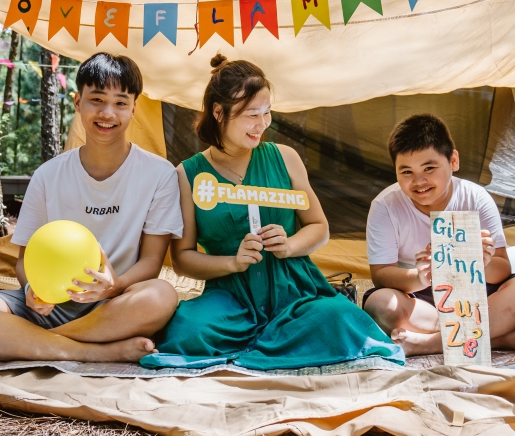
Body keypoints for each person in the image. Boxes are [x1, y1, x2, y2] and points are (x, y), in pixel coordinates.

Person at [141, 55, 404, 370]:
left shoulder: (285, 158)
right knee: (188, 331)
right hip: (230, 296)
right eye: (252, 114)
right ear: (218, 112)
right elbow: (182, 259)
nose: (262, 124)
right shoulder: (188, 175)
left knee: (341, 319)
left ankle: (278, 338)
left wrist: (290, 245)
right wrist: (232, 262)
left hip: (294, 290)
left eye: (266, 113)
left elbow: (319, 227)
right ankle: (275, 343)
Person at [0, 53, 182, 363]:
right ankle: (91, 352)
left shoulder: (159, 174)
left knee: (161, 296)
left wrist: (114, 286)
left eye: (120, 102)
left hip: (112, 306)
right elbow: (24, 261)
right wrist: (32, 289)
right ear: (78, 102)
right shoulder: (48, 175)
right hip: (46, 305)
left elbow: (151, 260)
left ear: (134, 109)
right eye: (97, 99)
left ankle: (12, 341)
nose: (108, 113)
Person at [362, 114, 515, 356]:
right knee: (381, 305)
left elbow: (502, 268)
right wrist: (421, 276)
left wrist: (481, 263)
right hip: (421, 300)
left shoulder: (475, 197)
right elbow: (381, 275)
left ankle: (432, 344)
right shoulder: (385, 205)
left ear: (453, 160)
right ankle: (493, 338)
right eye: (406, 172)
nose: (419, 181)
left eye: (429, 168)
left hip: (476, 296)